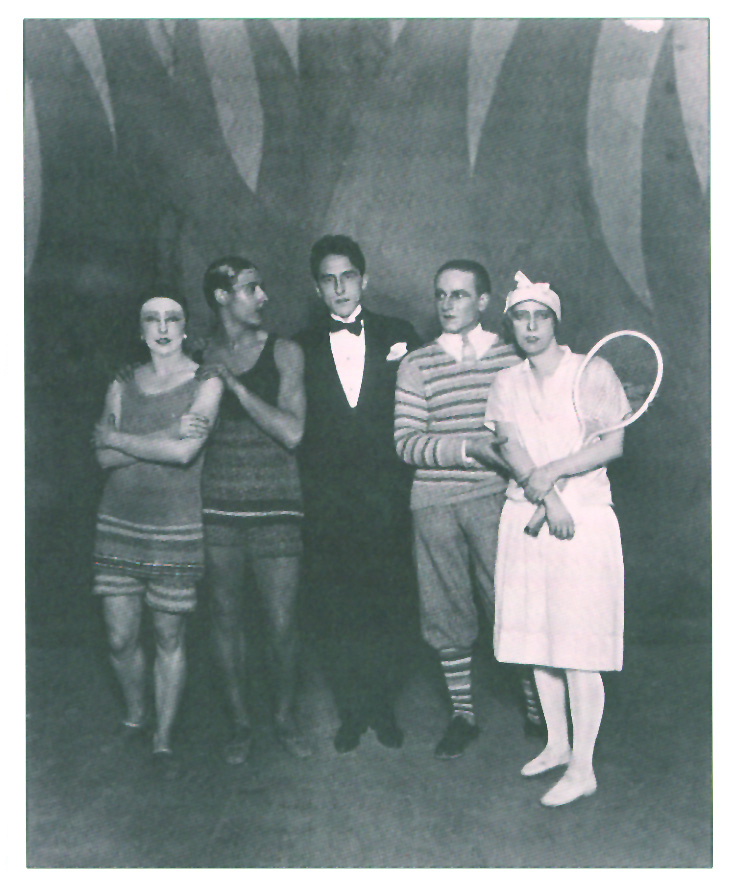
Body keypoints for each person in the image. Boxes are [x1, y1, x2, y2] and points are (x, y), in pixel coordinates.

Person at [483, 271, 629, 807]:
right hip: (531, 518)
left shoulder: (592, 372)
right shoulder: (505, 382)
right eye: (521, 317)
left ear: (555, 321)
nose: (530, 326)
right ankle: (558, 746)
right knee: (537, 645)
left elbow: (612, 444)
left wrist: (556, 477)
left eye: (540, 316)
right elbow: (512, 447)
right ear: (511, 323)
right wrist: (545, 495)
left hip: (585, 522)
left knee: (577, 650)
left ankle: (584, 768)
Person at [394, 260, 545, 760]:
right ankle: (463, 714)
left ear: (483, 302)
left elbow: (530, 433)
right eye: (441, 294)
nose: (447, 304)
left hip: (495, 501)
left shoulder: (511, 359)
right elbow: (407, 443)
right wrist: (470, 448)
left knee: (509, 604)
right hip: (433, 504)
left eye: (459, 295)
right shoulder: (416, 363)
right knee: (445, 610)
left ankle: (536, 708)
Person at [296, 234, 421, 753]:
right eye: (329, 279)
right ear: (316, 287)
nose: (340, 287)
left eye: (348, 276)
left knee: (390, 600)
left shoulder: (400, 333)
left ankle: (382, 704)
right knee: (336, 604)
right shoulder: (298, 346)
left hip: (388, 494)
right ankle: (351, 709)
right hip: (326, 499)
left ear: (364, 279)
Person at [92, 295, 223, 774]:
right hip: (118, 524)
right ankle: (135, 714)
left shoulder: (206, 380)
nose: (163, 327)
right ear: (140, 327)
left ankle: (163, 736)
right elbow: (101, 459)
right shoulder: (123, 380)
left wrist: (120, 438)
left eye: (173, 319)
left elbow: (185, 454)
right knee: (119, 636)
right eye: (152, 318)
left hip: (174, 525)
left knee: (169, 636)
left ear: (186, 327)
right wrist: (167, 432)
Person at [198, 256, 310, 765]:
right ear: (222, 296)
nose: (263, 297)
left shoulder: (284, 351)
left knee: (281, 623)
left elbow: (293, 431)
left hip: (276, 507)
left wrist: (236, 387)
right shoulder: (197, 353)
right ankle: (241, 725)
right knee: (224, 618)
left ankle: (284, 720)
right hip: (218, 507)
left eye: (260, 287)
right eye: (250, 288)